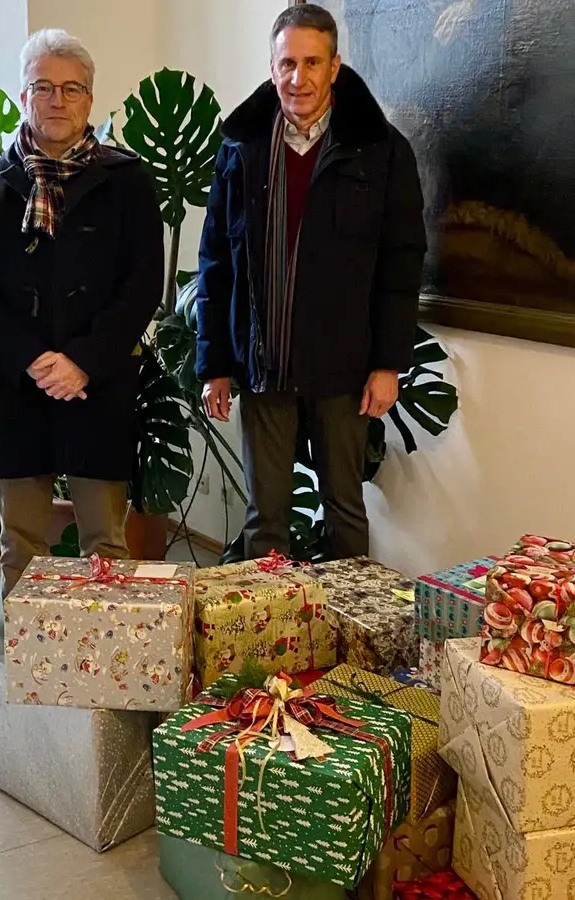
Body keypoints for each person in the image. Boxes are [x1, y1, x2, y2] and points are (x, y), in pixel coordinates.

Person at [0, 28, 164, 715]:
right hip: (20, 390)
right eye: (43, 85)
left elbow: (141, 287)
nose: (57, 99)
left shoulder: (127, 179)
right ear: (24, 94)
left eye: (71, 87)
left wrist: (82, 363)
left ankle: (110, 672)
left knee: (105, 538)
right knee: (24, 543)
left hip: (98, 386)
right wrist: (30, 359)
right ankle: (29, 674)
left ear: (90, 99)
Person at [194, 4, 425, 561]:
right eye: (287, 63)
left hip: (343, 367)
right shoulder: (240, 148)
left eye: (313, 63)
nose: (299, 78)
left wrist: (389, 364)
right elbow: (216, 262)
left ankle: (351, 637)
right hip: (262, 362)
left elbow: (401, 262)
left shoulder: (381, 150)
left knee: (345, 507)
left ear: (335, 66)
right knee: (265, 517)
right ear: (272, 67)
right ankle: (267, 642)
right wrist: (215, 363)